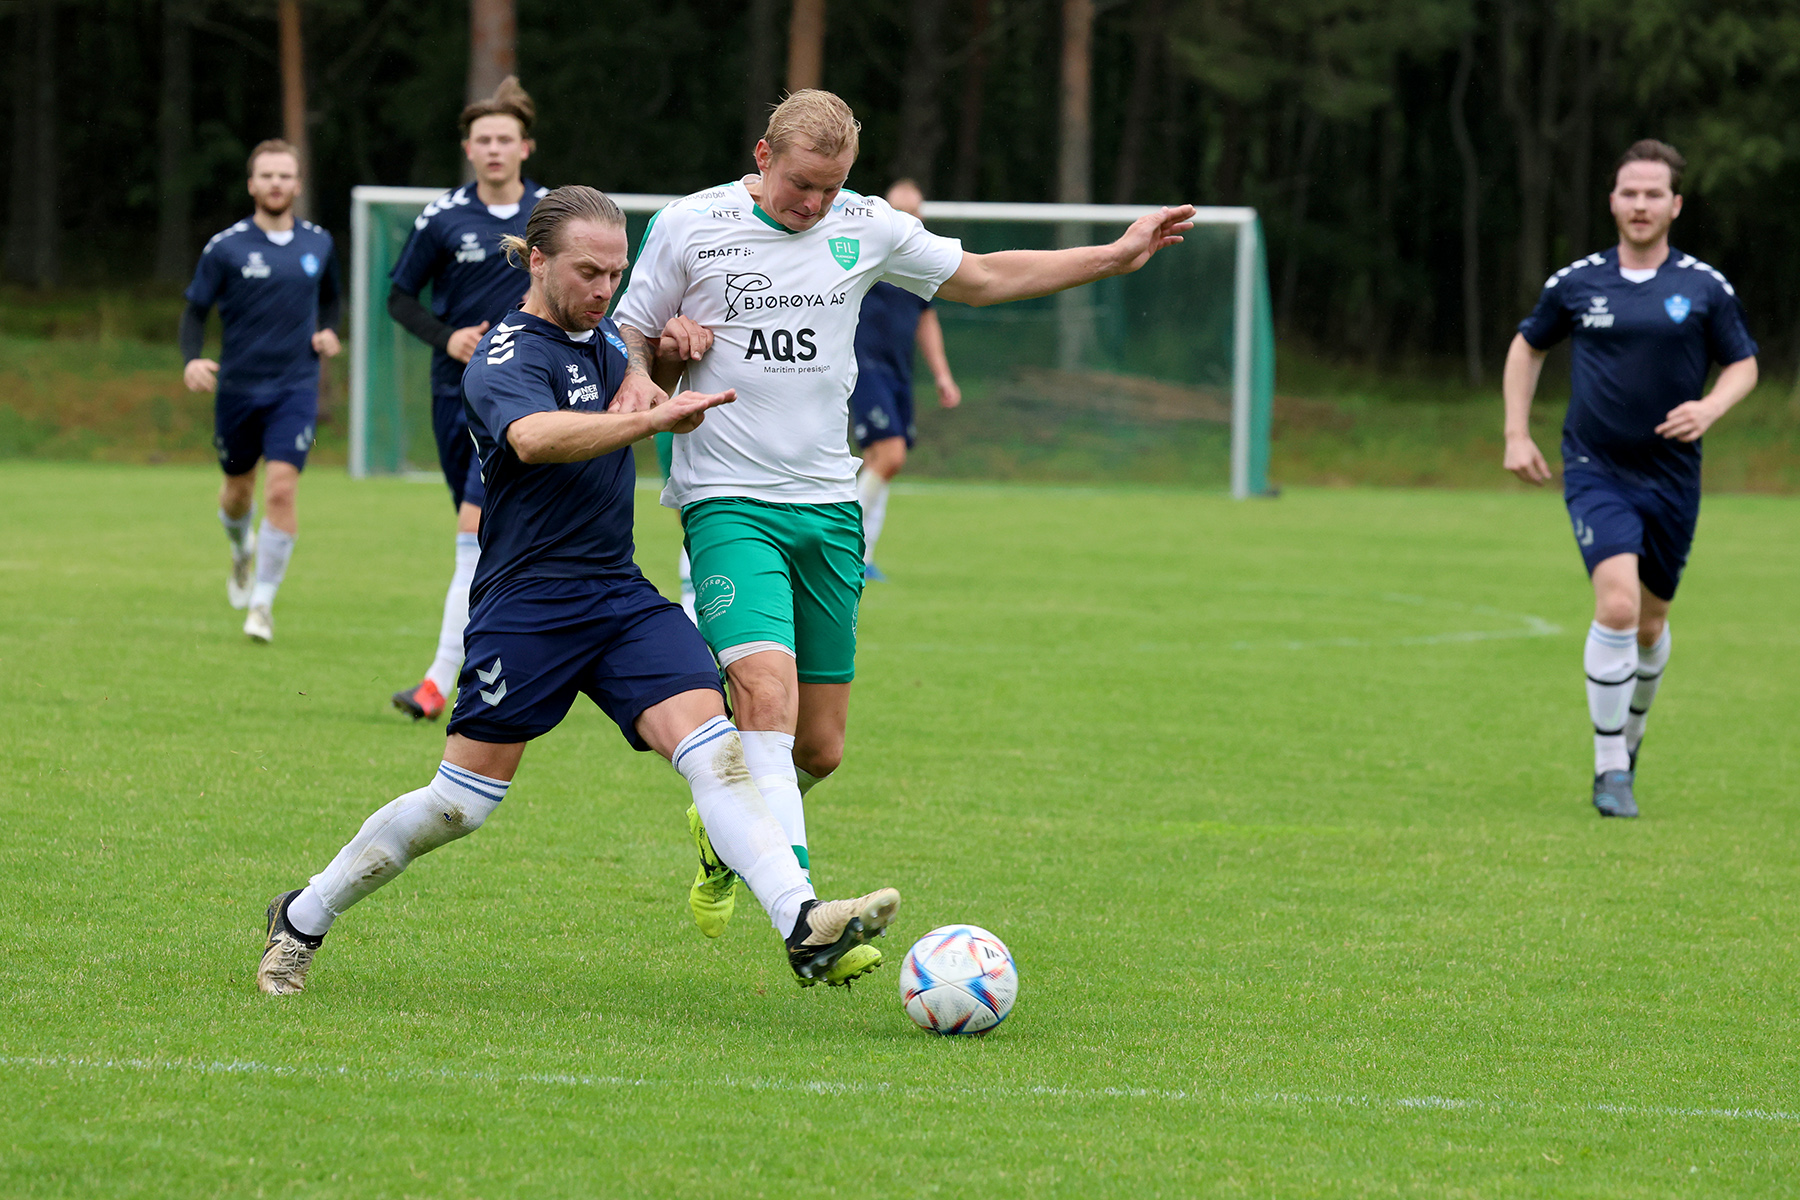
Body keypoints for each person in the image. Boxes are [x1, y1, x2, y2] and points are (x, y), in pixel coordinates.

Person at [256, 187, 899, 997]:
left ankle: (800, 921)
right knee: (459, 806)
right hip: (527, 607)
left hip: (620, 599)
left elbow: (637, 383)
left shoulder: (607, 344)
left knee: (717, 750)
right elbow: (535, 436)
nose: (605, 289)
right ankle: (304, 914)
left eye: (617, 273)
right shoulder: (505, 354)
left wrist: (668, 356)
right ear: (536, 262)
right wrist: (650, 415)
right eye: (589, 272)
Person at [611, 90, 1193, 948]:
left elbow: (985, 278)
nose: (814, 205)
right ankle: (805, 917)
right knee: (764, 695)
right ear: (764, 156)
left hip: (828, 507)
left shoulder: (867, 224)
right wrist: (654, 361)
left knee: (821, 750)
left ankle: (727, 835)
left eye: (832, 187)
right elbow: (628, 331)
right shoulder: (689, 225)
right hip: (727, 499)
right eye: (802, 185)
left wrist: (1112, 257)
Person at [1502, 139, 1758, 818]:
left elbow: (1743, 365)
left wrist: (1710, 406)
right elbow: (1528, 347)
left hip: (1672, 475)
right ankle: (1610, 764)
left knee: (1650, 624)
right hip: (1595, 466)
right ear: (1611, 201)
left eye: (1653, 194)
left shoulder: (1704, 287)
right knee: (1615, 605)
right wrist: (1515, 433)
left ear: (1675, 205)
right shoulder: (1577, 283)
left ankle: (1632, 735)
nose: (1640, 204)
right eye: (1628, 192)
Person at [387, 77, 550, 721]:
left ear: (525, 147)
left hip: (525, 400)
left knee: (476, 531)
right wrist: (447, 336)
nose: (493, 149)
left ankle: (437, 680)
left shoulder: (549, 218)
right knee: (492, 541)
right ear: (469, 148)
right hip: (454, 396)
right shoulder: (444, 217)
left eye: (504, 139)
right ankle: (510, 669)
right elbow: (400, 296)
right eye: (482, 140)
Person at [181, 139, 341, 643]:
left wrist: (330, 330)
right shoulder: (225, 247)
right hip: (238, 389)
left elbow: (333, 300)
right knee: (237, 493)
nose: (276, 183)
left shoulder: (319, 243)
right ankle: (239, 550)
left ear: (297, 184)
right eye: (266, 175)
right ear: (252, 184)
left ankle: (262, 605)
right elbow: (194, 311)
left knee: (281, 488)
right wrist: (191, 359)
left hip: (295, 386)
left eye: (285, 175)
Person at [850, 178, 961, 582]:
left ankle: (863, 557)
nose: (908, 220)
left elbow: (926, 320)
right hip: (863, 367)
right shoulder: (865, 253)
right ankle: (845, 547)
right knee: (890, 455)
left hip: (899, 373)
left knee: (884, 464)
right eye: (900, 212)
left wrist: (943, 376)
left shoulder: (919, 262)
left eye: (915, 213)